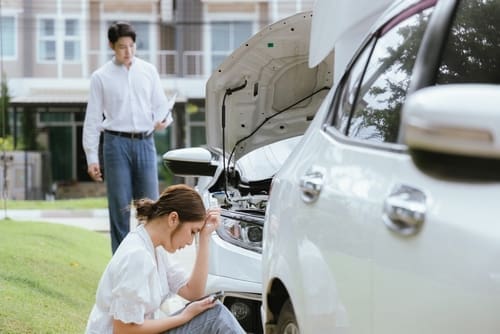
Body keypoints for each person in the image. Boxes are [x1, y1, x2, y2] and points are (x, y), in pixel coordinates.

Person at [85, 184, 245, 334]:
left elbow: (194, 293)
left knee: (212, 309)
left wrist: (205, 237)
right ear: (173, 219)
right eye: (192, 232)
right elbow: (124, 330)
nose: (190, 242)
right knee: (215, 315)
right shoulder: (137, 256)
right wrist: (183, 317)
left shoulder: (154, 249)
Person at [83, 21, 174, 253]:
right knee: (120, 209)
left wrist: (164, 121)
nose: (128, 52)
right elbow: (92, 119)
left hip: (145, 143)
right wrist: (92, 157)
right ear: (112, 46)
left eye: (132, 46)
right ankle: (122, 269)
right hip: (115, 145)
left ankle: (151, 264)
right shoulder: (100, 77)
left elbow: (161, 106)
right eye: (122, 47)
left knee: (151, 209)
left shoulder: (148, 71)